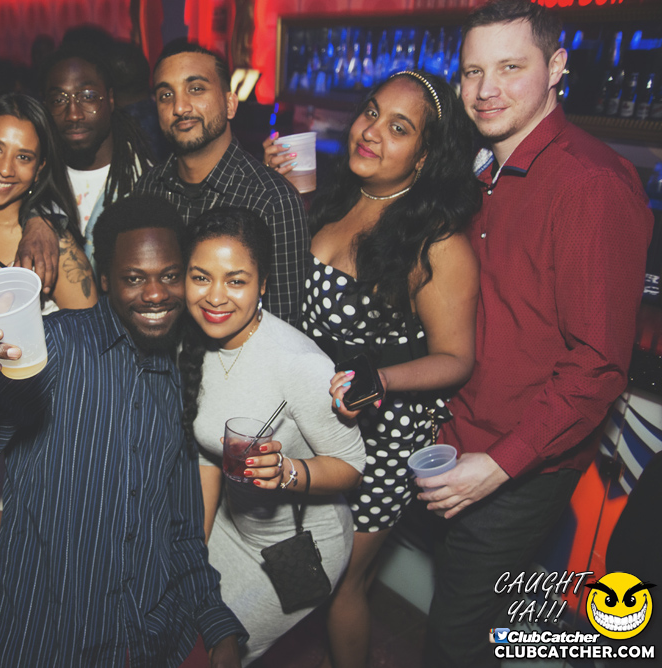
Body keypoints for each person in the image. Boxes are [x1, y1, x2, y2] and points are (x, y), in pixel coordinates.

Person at [414, 3, 653, 666]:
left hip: (521, 459)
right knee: (469, 617)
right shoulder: (483, 171)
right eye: (472, 72)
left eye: (510, 67)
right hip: (461, 435)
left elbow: (597, 366)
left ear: (556, 67)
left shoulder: (590, 185)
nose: (486, 90)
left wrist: (497, 465)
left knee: (456, 639)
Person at [0, 194, 246, 668]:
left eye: (170, 276)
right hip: (50, 643)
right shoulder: (53, 347)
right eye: (134, 278)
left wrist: (216, 625)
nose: (155, 294)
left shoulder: (175, 379)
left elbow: (182, 527)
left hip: (147, 643)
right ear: (105, 279)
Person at [264, 69, 480, 668]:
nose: (371, 131)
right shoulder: (335, 199)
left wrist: (381, 379)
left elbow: (457, 358)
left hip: (380, 438)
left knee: (342, 584)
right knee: (297, 562)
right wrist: (286, 196)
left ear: (426, 155)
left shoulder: (437, 244)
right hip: (311, 417)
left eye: (399, 128)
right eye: (371, 112)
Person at [179, 207, 366, 664]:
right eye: (201, 277)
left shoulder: (298, 364)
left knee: (221, 654)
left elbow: (352, 467)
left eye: (236, 281)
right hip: (232, 525)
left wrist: (287, 471)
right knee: (184, 631)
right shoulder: (192, 341)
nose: (215, 297)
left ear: (262, 284)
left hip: (300, 546)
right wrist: (195, 551)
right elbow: (207, 455)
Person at [0, 92, 97, 563]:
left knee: (29, 546)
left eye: (24, 157)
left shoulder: (51, 244)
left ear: (40, 169)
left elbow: (98, 346)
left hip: (46, 425)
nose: (5, 168)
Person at [135, 40, 309, 327]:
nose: (179, 107)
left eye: (196, 89)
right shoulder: (148, 189)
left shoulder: (272, 200)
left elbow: (282, 326)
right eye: (166, 95)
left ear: (230, 104)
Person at [42, 43, 155, 264]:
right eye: (59, 100)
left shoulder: (147, 182)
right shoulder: (35, 180)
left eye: (87, 97)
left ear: (110, 99)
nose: (73, 114)